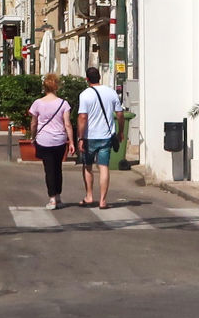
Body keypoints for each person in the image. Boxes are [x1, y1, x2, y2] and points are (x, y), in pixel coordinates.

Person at [75, 67, 126, 210]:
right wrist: (120, 131)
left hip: (89, 137)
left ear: (87, 79)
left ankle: (89, 196)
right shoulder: (111, 92)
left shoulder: (85, 95)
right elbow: (120, 114)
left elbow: (82, 117)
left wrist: (80, 137)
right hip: (106, 136)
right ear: (99, 77)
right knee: (104, 167)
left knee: (88, 166)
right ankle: (103, 200)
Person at [27, 72, 75, 211]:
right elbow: (67, 124)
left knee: (49, 169)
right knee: (58, 168)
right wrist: (71, 141)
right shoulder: (63, 103)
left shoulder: (37, 103)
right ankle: (58, 197)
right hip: (59, 140)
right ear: (56, 87)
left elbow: (34, 123)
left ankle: (52, 198)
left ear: (45, 87)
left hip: (44, 140)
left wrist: (32, 136)